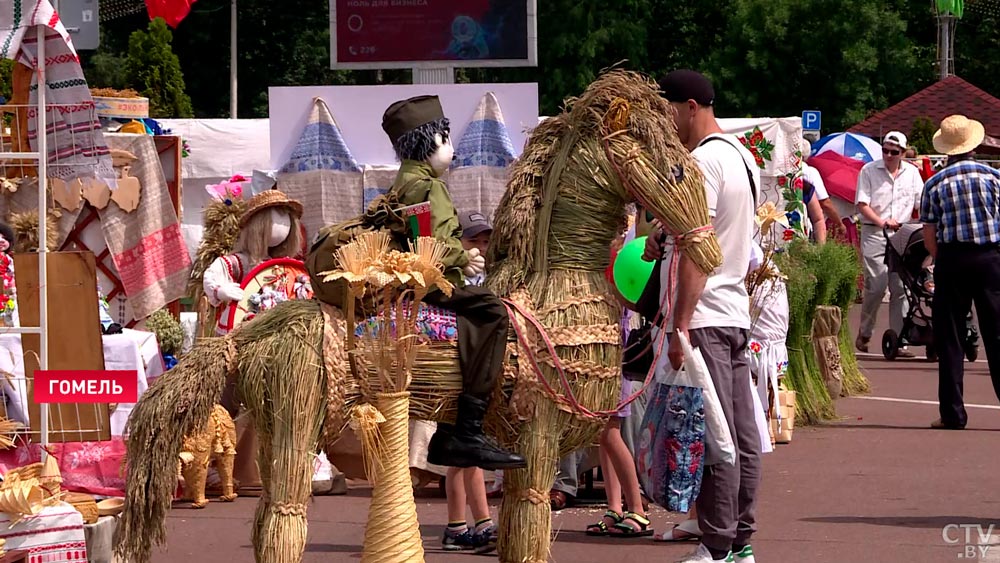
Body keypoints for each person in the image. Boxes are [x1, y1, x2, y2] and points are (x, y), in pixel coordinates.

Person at [644, 69, 762, 563]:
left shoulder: (699, 163)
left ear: (690, 106)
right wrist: (660, 231)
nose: (664, 122)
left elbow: (697, 245)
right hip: (734, 310)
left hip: (707, 315)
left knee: (714, 437)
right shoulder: (743, 157)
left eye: (666, 110)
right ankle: (740, 540)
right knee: (743, 435)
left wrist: (680, 325)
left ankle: (716, 547)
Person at [380, 95, 525, 470]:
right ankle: (468, 428)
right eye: (445, 139)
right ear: (426, 142)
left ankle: (449, 429)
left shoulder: (402, 183)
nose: (451, 148)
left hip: (415, 282)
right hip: (431, 284)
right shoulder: (428, 188)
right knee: (492, 312)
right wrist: (463, 256)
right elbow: (428, 246)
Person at [919, 115, 1000, 430]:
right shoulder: (994, 178)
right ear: (973, 147)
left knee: (950, 337)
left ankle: (953, 413)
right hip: (990, 257)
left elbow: (929, 234)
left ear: (947, 150)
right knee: (997, 334)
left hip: (953, 258)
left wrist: (943, 257)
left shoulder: (934, 184)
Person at [585, 219, 652, 538]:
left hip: (612, 356)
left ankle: (636, 507)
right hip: (602, 356)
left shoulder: (615, 265)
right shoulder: (602, 265)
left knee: (611, 432)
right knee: (604, 433)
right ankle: (614, 506)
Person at [441, 209, 500, 553]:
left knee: (459, 454)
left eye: (484, 240)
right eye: (472, 240)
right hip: (456, 370)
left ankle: (455, 527)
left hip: (472, 371)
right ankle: (483, 523)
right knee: (469, 449)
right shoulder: (452, 278)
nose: (479, 247)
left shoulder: (488, 279)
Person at [853, 131, 923, 357]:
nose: (889, 155)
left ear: (903, 153)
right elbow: (862, 204)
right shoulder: (869, 170)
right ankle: (865, 331)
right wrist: (882, 221)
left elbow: (921, 201)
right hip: (875, 231)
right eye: (885, 150)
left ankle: (899, 339)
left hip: (902, 234)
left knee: (901, 287)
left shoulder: (912, 173)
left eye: (894, 151)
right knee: (877, 285)